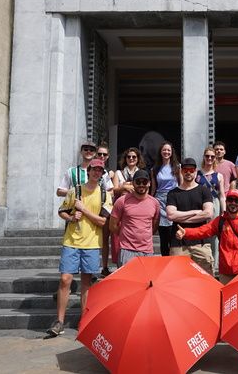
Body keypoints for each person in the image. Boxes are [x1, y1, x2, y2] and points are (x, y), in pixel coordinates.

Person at [48, 159, 112, 337]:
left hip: (91, 243)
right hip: (72, 241)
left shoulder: (105, 195)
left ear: (102, 174)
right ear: (89, 171)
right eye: (94, 169)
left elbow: (102, 221)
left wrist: (83, 210)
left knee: (86, 283)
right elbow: (62, 211)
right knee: (65, 279)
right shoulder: (74, 191)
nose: (96, 173)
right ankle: (59, 321)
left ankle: (84, 320)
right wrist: (71, 218)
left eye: (100, 170)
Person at [166, 157, 215, 273]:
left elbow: (208, 213)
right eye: (185, 170)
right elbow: (171, 216)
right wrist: (195, 212)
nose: (188, 172)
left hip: (201, 243)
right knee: (177, 279)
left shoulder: (204, 191)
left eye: (191, 170)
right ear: (181, 171)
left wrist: (181, 218)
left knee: (205, 278)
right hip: (178, 244)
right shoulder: (173, 193)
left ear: (196, 171)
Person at [109, 169, 159, 265]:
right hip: (127, 250)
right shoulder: (121, 201)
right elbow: (112, 226)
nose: (141, 184)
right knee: (125, 280)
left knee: (146, 280)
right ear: (132, 183)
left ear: (149, 183)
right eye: (138, 182)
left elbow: (154, 226)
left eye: (144, 182)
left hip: (147, 251)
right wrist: (126, 234)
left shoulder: (155, 203)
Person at [198, 147, 226, 274]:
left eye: (212, 156)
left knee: (214, 235)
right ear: (203, 157)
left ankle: (214, 267)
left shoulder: (219, 175)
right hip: (200, 205)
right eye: (207, 156)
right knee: (201, 232)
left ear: (215, 158)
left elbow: (221, 195)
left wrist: (223, 211)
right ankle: (202, 263)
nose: (209, 158)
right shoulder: (197, 174)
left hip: (214, 204)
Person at [150, 141, 181, 256]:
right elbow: (153, 188)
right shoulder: (155, 169)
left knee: (174, 233)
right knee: (163, 235)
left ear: (172, 152)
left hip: (174, 199)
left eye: (168, 150)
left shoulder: (178, 167)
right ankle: (164, 260)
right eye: (164, 150)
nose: (166, 152)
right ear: (160, 152)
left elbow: (181, 184)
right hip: (160, 200)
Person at [96, 142, 119, 277]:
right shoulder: (90, 170)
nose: (102, 156)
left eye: (105, 154)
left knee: (105, 240)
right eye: (100, 154)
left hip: (105, 210)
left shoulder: (107, 173)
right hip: (91, 210)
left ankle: (104, 267)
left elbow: (111, 192)